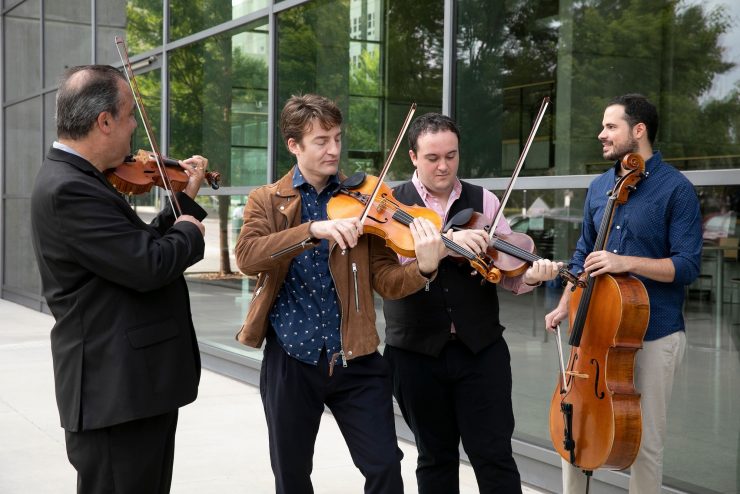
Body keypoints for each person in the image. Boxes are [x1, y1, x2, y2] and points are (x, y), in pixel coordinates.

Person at [234, 94, 445, 494]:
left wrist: (423, 268)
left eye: (337, 138)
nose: (333, 149)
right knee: (292, 475)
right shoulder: (267, 199)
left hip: (356, 357)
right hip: (291, 358)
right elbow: (247, 256)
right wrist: (311, 231)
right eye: (321, 141)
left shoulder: (366, 199)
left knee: (385, 466)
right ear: (294, 145)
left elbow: (386, 280)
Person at [30, 65, 209, 494]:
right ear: (104, 121)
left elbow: (133, 248)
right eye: (129, 116)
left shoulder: (82, 179)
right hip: (115, 394)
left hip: (133, 390)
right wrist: (189, 230)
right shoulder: (69, 189)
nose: (134, 128)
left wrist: (183, 204)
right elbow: (149, 266)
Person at [381, 112, 563, 494]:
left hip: (481, 351)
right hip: (415, 354)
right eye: (433, 158)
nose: (443, 166)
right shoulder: (391, 204)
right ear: (413, 156)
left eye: (451, 155)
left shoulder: (486, 201)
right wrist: (448, 244)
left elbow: (508, 271)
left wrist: (531, 276)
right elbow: (389, 277)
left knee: (495, 456)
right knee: (435, 458)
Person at [544, 94, 703, 493]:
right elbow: (583, 254)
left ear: (639, 130)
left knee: (644, 445)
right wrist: (564, 303)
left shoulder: (676, 190)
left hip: (654, 333)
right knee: (576, 426)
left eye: (610, 126)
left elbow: (686, 266)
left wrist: (624, 262)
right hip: (596, 331)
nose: (602, 134)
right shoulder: (600, 186)